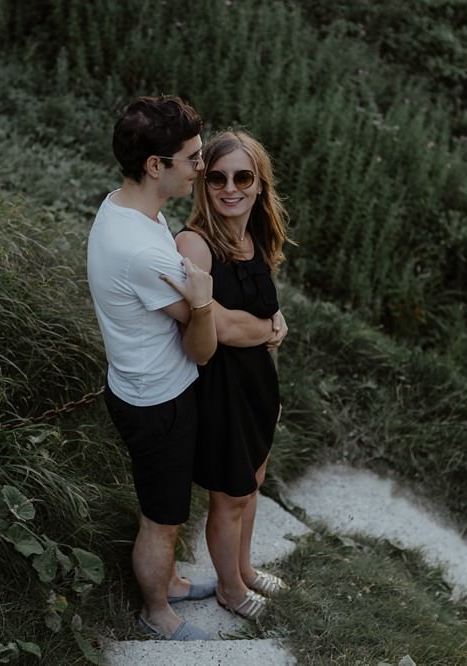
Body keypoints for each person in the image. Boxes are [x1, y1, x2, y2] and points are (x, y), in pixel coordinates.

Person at [86, 95, 218, 642]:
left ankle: (172, 581)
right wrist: (206, 300)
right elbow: (200, 342)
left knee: (167, 505)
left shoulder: (121, 208)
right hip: (157, 398)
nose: (201, 167)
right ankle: (157, 611)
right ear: (155, 166)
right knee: (160, 517)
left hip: (140, 384)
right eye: (191, 158)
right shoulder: (143, 252)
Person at [175, 130, 292, 621]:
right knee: (229, 496)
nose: (230, 188)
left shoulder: (256, 237)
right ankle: (228, 589)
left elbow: (260, 309)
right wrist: (267, 326)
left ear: (259, 184)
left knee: (253, 484)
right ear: (204, 182)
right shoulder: (194, 244)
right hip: (218, 390)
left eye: (243, 176)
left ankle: (242, 568)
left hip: (256, 384)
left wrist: (273, 324)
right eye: (217, 177)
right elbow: (217, 326)